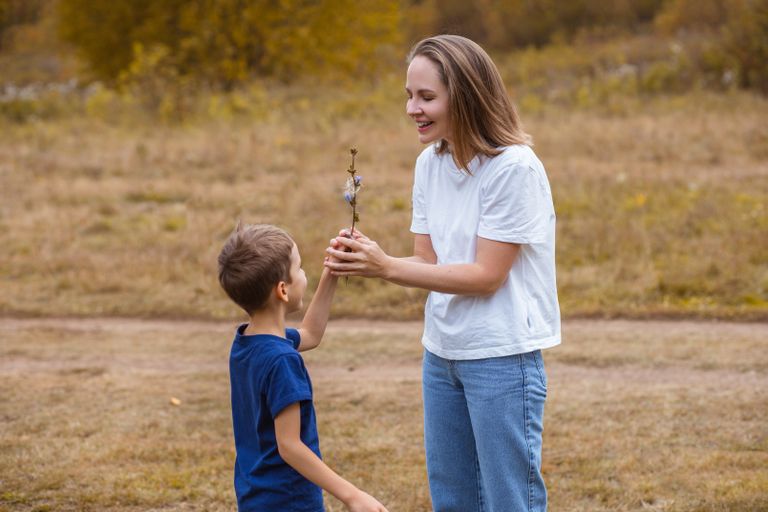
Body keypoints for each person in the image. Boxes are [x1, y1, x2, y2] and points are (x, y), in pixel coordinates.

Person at [325, 35, 560, 512]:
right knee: (453, 501)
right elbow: (428, 263)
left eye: (427, 97)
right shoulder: (429, 163)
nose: (412, 108)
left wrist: (387, 267)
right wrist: (370, 260)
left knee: (510, 501)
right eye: (409, 96)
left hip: (501, 357)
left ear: (466, 96)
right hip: (441, 354)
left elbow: (487, 276)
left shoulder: (513, 168)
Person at [218, 222, 389, 512]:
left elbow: (310, 334)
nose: (304, 274)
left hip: (255, 494)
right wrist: (352, 495)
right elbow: (290, 446)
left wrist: (331, 272)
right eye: (299, 269)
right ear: (283, 290)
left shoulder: (247, 341)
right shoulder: (282, 360)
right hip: (289, 499)